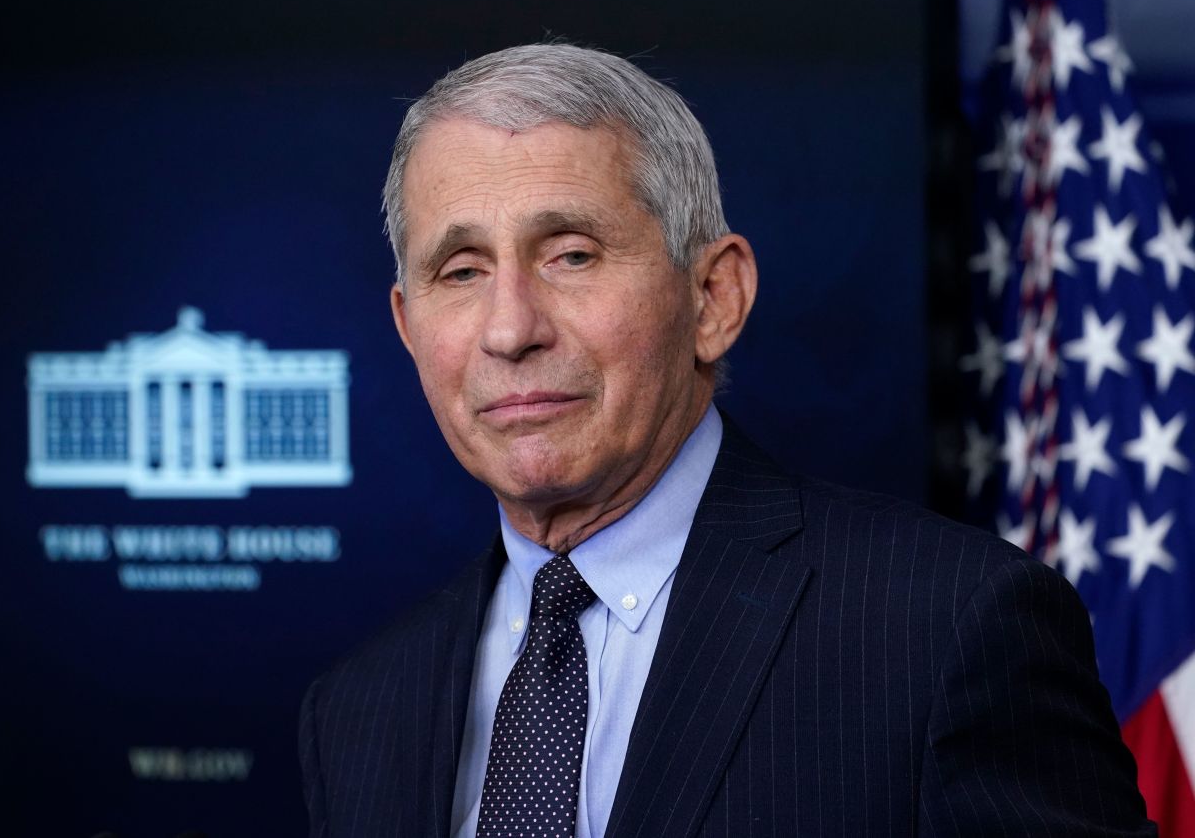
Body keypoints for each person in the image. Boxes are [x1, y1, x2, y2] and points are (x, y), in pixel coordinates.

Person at [298, 43, 1154, 837]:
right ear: (409, 329)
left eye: (572, 255)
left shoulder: (950, 628)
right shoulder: (358, 711)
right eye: (462, 271)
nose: (510, 328)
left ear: (714, 298)